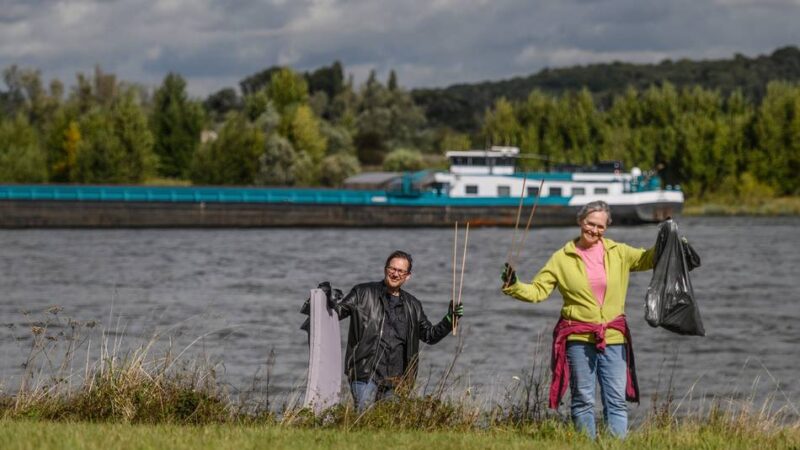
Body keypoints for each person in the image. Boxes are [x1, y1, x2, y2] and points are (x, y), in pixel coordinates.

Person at [500, 201, 654, 439]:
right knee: (583, 399)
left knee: (616, 401)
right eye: (590, 223)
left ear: (606, 228)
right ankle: (585, 444)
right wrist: (515, 285)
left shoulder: (619, 252)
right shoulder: (561, 258)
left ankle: (616, 445)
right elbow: (538, 291)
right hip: (578, 338)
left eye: (600, 226)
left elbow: (648, 258)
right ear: (581, 221)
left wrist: (671, 239)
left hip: (614, 337)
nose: (594, 230)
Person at [330, 250, 464, 411]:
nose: (395, 274)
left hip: (397, 381)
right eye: (392, 269)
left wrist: (449, 320)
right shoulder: (362, 293)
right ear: (385, 269)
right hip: (364, 373)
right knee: (363, 415)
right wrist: (326, 299)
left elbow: (430, 336)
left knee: (389, 422)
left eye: (401, 271)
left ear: (408, 276)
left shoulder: (413, 305)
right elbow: (337, 313)